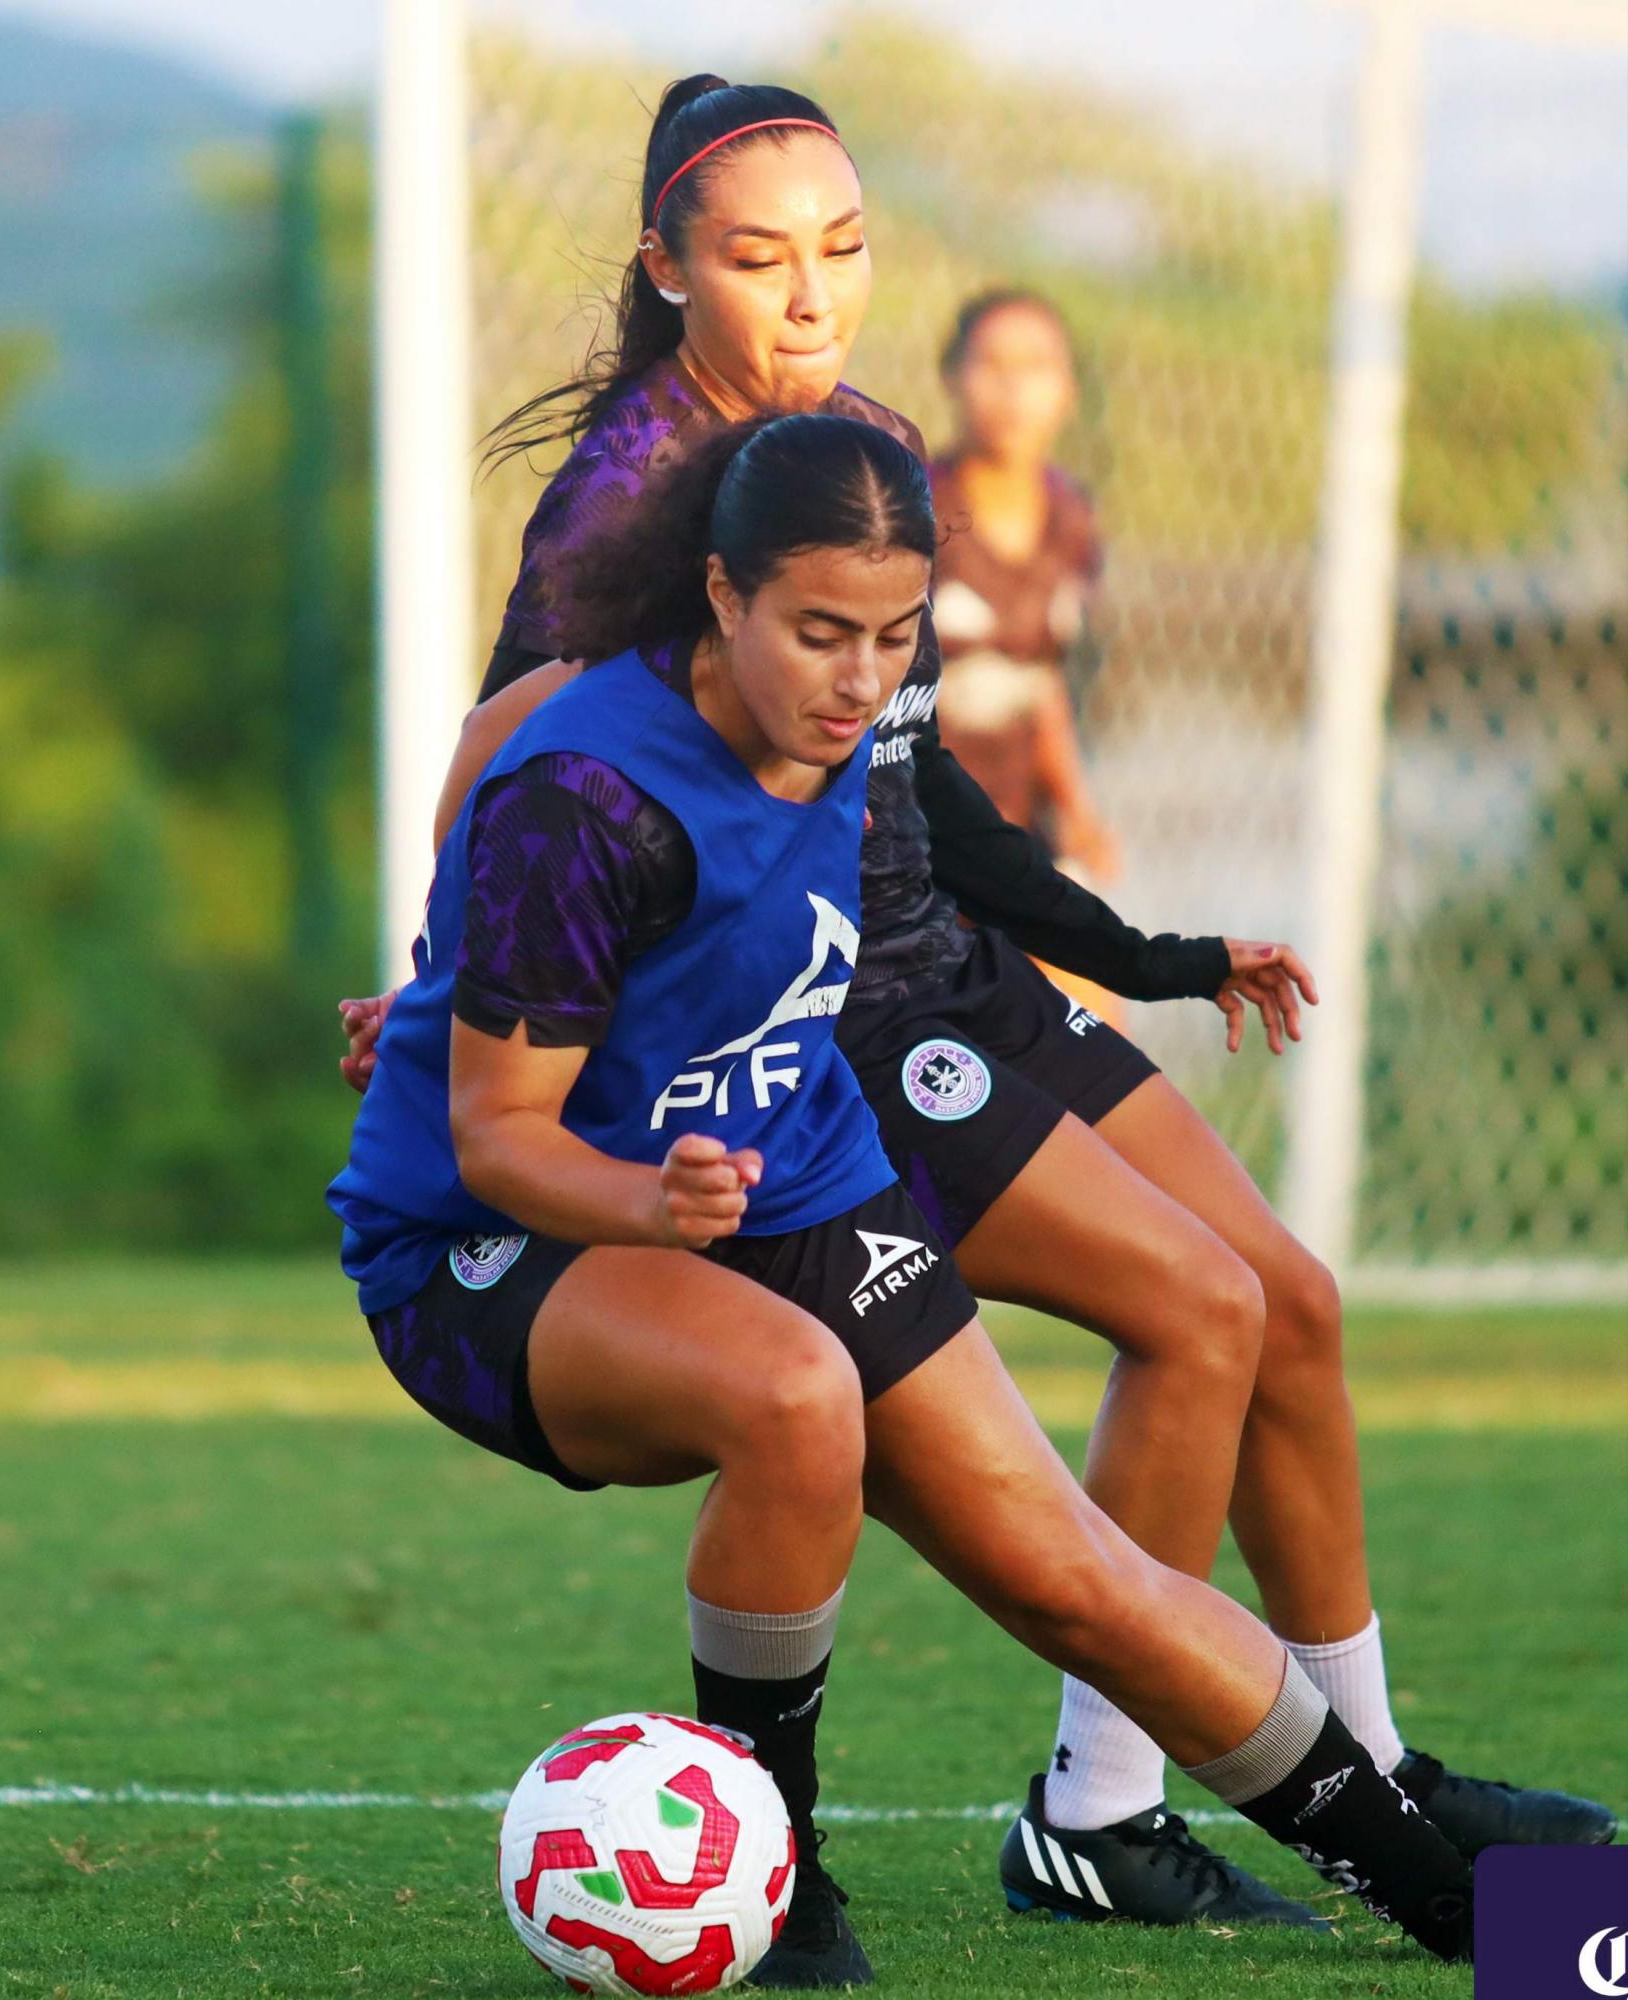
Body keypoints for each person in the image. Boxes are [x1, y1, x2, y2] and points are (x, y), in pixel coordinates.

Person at [340, 73, 1615, 1953]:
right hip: (665, 1138)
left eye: (843, 246)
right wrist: (458, 980)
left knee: (1122, 1509)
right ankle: (800, 1858)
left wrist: (1148, 951)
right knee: (883, 1383)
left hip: (825, 1096)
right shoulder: (614, 662)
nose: (864, 681)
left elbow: (919, 783)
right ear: (713, 600)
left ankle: (1502, 1916)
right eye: (758, 256)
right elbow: (506, 787)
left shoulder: (850, 510)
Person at [930, 287, 1123, 1026]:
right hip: (918, 834)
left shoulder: (1072, 518)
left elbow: (1040, 681)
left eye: (1036, 367)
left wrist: (1075, 808)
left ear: (1067, 388)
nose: (1014, 390)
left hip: (1019, 831)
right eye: (992, 364)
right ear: (952, 374)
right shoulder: (914, 507)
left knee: (1104, 1032)